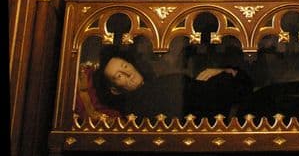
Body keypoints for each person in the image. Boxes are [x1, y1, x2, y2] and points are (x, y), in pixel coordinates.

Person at [92, 48, 253, 121]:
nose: (128, 73)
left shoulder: (156, 84)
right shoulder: (137, 105)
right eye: (119, 76)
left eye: (125, 66)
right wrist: (229, 72)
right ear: (114, 90)